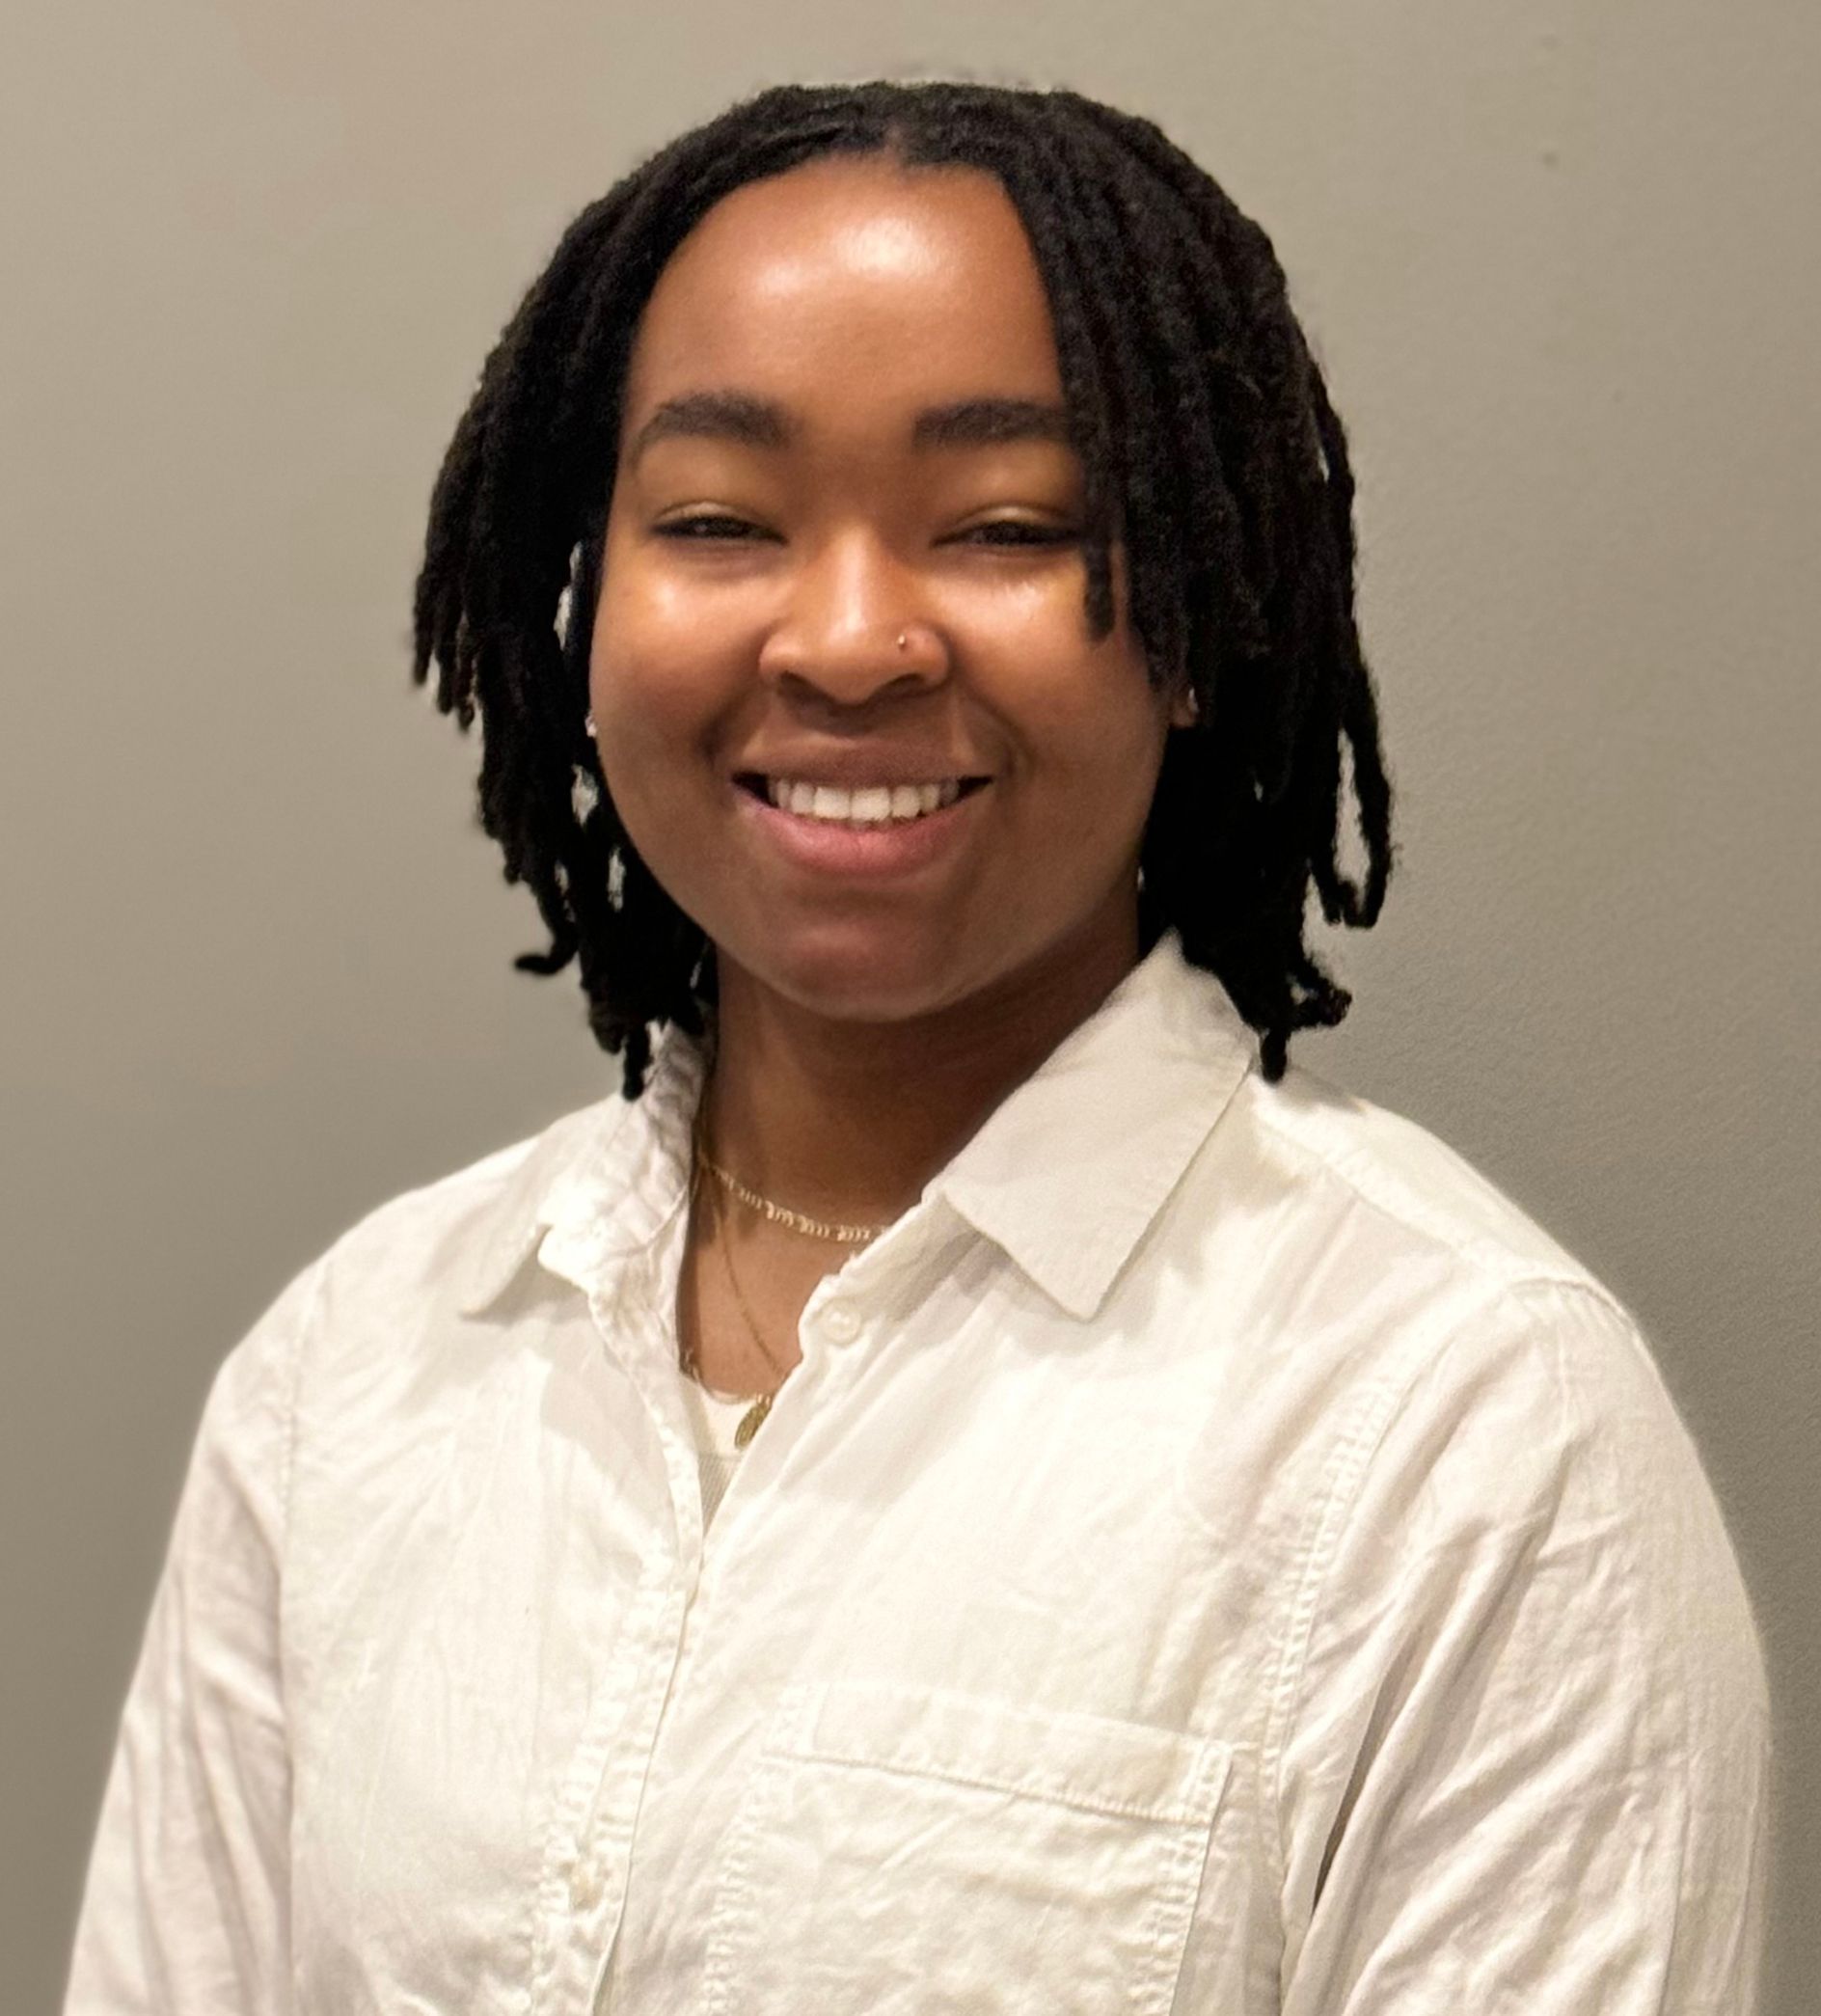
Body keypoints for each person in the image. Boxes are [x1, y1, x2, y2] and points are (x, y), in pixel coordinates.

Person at [66, 79, 1769, 2014]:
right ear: (579, 605)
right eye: (716, 520)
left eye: (1006, 526)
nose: (851, 639)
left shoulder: (1460, 1422)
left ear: (1194, 625)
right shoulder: (356, 1370)